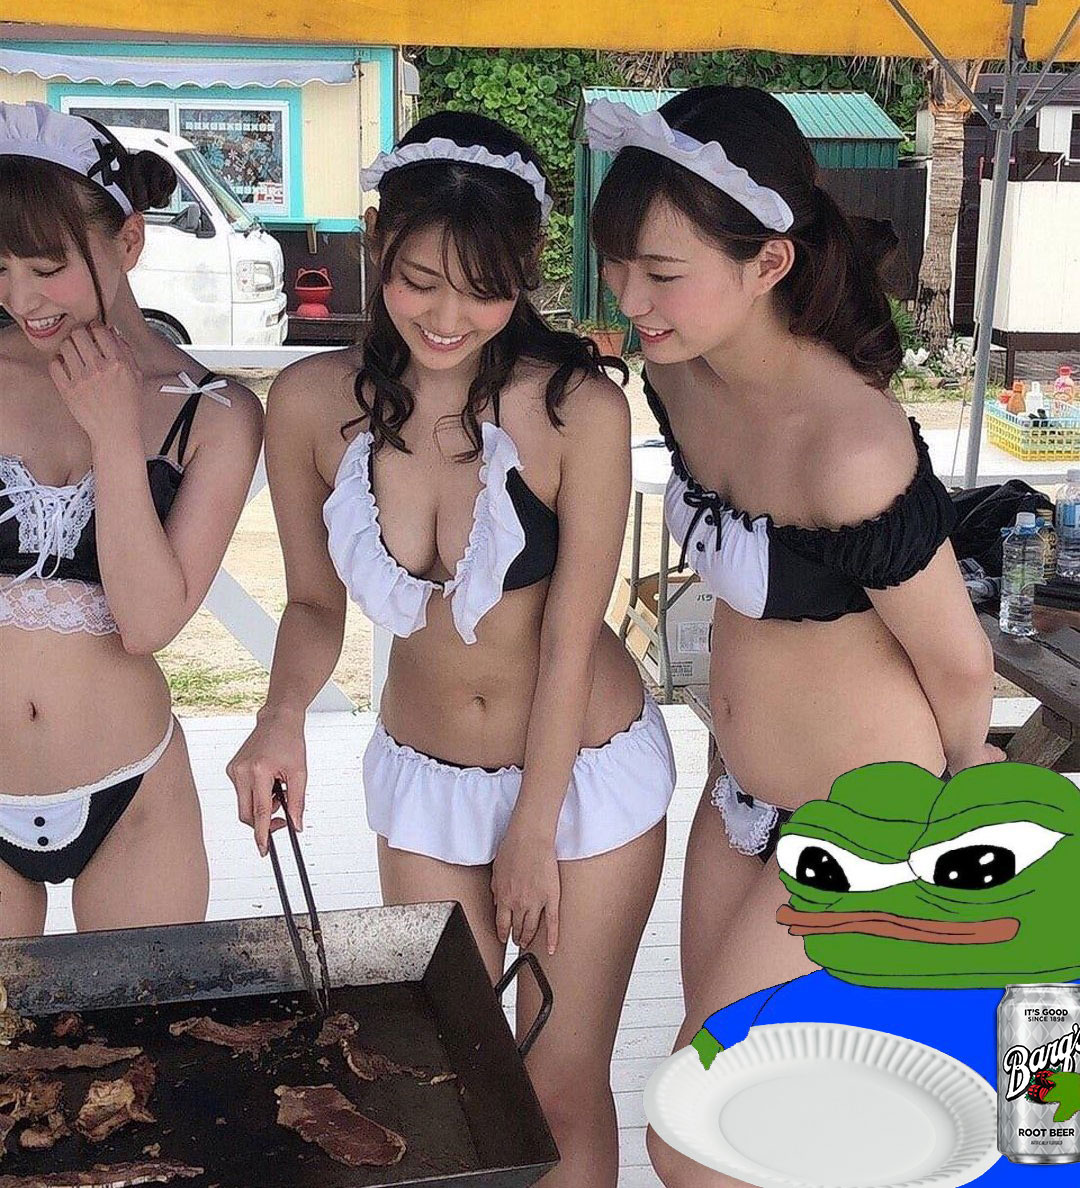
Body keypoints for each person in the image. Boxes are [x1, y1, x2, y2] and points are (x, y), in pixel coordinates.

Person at [227, 110, 675, 1187]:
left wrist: (535, 825)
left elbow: (571, 637)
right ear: (378, 245)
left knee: (557, 1087)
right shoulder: (309, 403)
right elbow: (313, 605)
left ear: (525, 273)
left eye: (483, 288)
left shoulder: (575, 408)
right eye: (419, 279)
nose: (446, 316)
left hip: (583, 779)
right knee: (451, 1083)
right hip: (425, 778)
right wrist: (279, 719)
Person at [585, 86, 1000, 1186]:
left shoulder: (850, 446)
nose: (630, 297)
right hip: (736, 801)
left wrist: (961, 813)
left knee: (693, 1137)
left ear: (768, 262)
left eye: (661, 272)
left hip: (863, 823)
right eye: (617, 263)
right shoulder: (678, 376)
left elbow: (960, 662)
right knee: (755, 1127)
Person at [0, 103, 263, 936]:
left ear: (129, 242)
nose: (20, 298)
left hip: (134, 793)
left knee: (145, 1023)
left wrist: (115, 434)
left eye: (47, 267)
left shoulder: (215, 413)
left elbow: (147, 623)